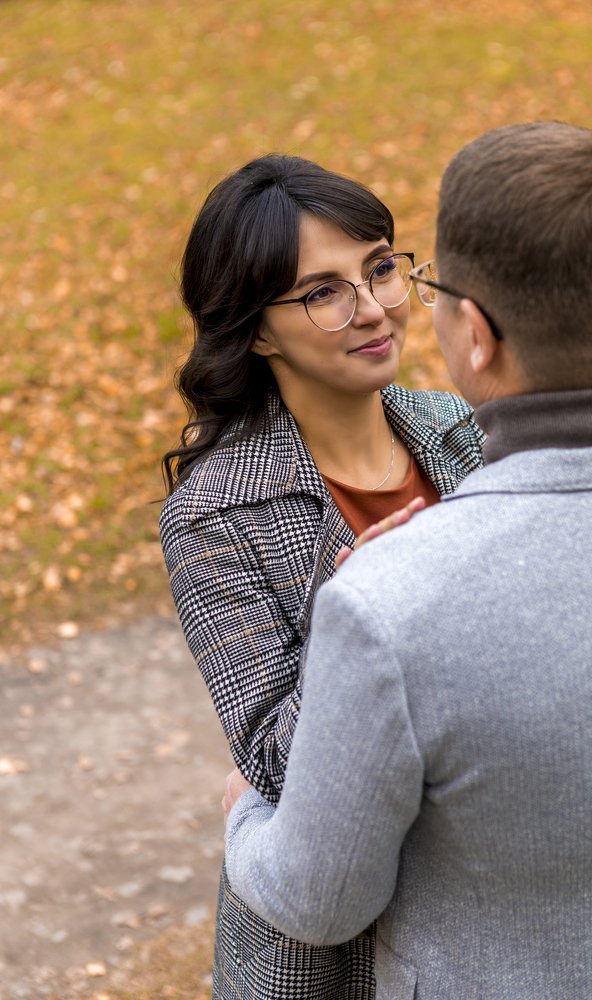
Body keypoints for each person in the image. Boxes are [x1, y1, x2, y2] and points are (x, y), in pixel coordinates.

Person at [222, 123, 592, 999]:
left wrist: (239, 821)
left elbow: (316, 899)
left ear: (475, 333)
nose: (382, 306)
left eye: (400, 275)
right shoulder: (232, 507)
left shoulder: (391, 602)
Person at [159, 154, 485, 1000]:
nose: (375, 308)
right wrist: (364, 605)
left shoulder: (457, 432)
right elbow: (272, 759)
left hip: (480, 901)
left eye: (380, 267)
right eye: (324, 292)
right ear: (258, 328)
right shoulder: (215, 514)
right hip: (328, 955)